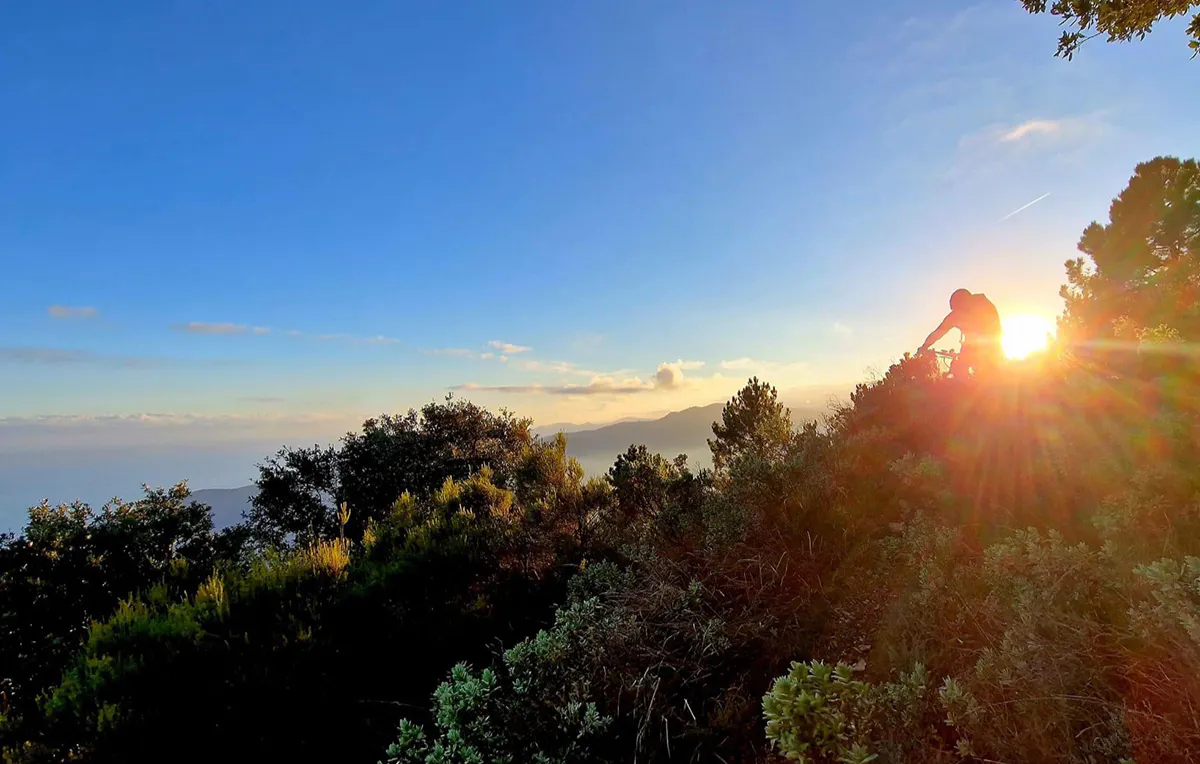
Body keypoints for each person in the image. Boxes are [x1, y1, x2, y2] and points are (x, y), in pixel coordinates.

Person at [919, 289, 1003, 377]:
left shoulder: (978, 305)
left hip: (987, 345)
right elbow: (938, 332)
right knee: (960, 368)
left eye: (957, 309)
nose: (957, 314)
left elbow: (938, 332)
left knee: (963, 370)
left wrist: (925, 346)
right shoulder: (957, 314)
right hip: (982, 345)